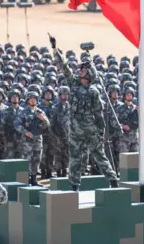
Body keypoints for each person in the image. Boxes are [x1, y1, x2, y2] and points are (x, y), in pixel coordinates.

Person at [51, 36, 118, 191]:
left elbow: (99, 115)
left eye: (83, 69)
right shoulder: (73, 84)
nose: (80, 70)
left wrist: (101, 133)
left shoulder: (94, 92)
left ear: (89, 75)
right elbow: (64, 67)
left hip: (90, 129)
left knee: (99, 156)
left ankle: (113, 180)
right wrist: (55, 49)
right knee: (75, 158)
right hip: (75, 129)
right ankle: (74, 185)